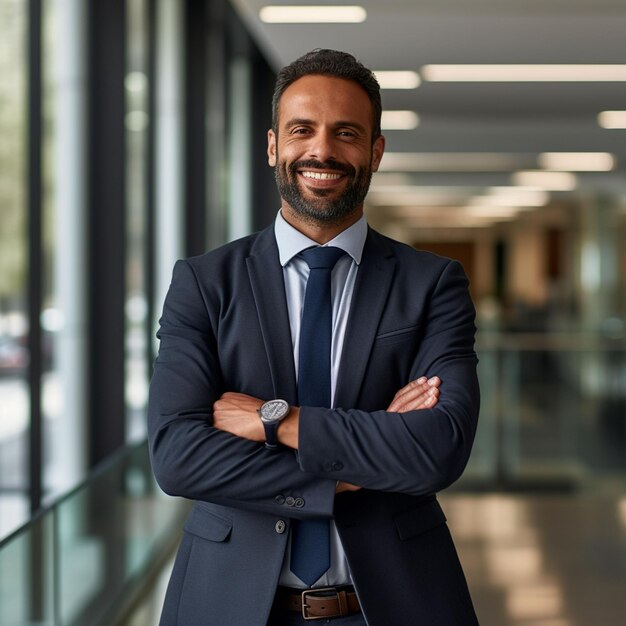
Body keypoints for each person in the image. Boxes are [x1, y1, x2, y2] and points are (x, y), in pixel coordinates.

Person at [148, 49, 480, 625]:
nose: (322, 151)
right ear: (274, 144)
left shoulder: (432, 284)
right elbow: (178, 458)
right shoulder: (204, 284)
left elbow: (437, 448)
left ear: (375, 151)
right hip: (228, 603)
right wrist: (359, 466)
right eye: (303, 130)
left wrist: (275, 420)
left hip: (396, 602)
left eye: (346, 133)